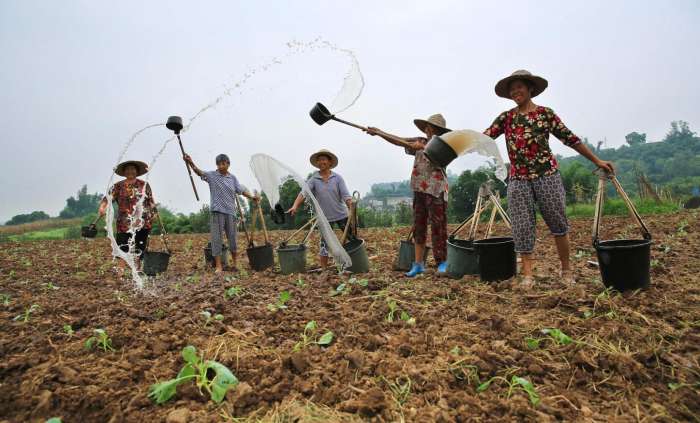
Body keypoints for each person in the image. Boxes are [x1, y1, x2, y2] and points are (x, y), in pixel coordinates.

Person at [483, 70, 615, 287]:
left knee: (558, 223)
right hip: (518, 179)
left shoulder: (545, 114)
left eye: (519, 87)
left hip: (547, 176)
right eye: (512, 88)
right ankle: (527, 274)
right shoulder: (506, 118)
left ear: (530, 89)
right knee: (522, 226)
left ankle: (566, 271)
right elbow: (485, 137)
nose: (516, 91)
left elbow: (570, 138)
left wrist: (596, 161)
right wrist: (459, 141)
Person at [365, 114, 450, 277]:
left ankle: (442, 262)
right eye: (427, 127)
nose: (428, 130)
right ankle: (418, 264)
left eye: (432, 128)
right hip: (419, 188)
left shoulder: (445, 145)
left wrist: (423, 148)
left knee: (438, 227)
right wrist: (380, 132)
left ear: (439, 131)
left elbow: (440, 158)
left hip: (436, 190)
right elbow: (399, 140)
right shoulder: (420, 140)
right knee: (419, 226)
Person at [183, 153, 260, 273]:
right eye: (219, 164)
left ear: (228, 164)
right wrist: (191, 162)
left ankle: (234, 263)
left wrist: (252, 197)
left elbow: (240, 190)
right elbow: (200, 172)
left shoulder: (232, 178)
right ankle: (218, 266)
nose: (221, 166)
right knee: (216, 239)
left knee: (232, 239)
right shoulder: (212, 176)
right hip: (217, 212)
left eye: (223, 163)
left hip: (230, 212)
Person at [287, 149, 353, 269]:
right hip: (324, 218)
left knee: (352, 239)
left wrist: (351, 206)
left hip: (341, 215)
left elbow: (346, 195)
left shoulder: (337, 178)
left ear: (329, 162)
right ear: (317, 163)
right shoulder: (314, 179)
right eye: (319, 160)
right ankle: (324, 269)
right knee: (324, 243)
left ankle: (356, 263)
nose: (321, 162)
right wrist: (295, 205)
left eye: (324, 159)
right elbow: (304, 193)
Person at [97, 160, 156, 271]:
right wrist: (102, 207)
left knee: (140, 247)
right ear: (124, 172)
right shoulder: (118, 186)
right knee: (122, 247)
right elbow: (106, 199)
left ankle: (138, 270)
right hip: (124, 222)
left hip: (142, 221)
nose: (130, 171)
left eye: (133, 169)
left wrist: (154, 211)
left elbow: (151, 201)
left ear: (137, 171)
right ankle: (121, 271)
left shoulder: (144, 185)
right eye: (127, 169)